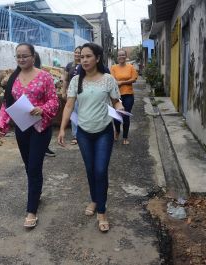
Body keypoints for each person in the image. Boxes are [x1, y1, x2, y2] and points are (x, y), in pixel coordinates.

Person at [57, 43, 124, 232]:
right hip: (84, 133)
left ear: (97, 58)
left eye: (88, 56)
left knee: (101, 170)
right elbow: (69, 106)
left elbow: (116, 101)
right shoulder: (76, 80)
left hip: (104, 131)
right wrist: (63, 129)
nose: (84, 60)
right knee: (90, 169)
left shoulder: (108, 80)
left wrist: (121, 109)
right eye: (82, 56)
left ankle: (102, 211)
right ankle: (95, 199)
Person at [0, 43, 59, 228]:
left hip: (40, 129)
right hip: (22, 129)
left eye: (25, 56)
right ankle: (36, 192)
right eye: (18, 56)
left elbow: (54, 102)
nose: (22, 59)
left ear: (33, 56)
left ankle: (31, 211)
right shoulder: (13, 78)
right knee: (29, 166)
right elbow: (7, 104)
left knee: (33, 167)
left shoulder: (45, 77)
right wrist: (1, 123)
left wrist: (42, 109)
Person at [110, 50, 138, 144]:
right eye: (119, 55)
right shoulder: (113, 67)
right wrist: (118, 82)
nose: (121, 56)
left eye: (123, 55)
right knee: (117, 115)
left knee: (126, 115)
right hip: (116, 95)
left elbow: (134, 79)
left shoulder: (130, 67)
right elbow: (112, 80)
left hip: (128, 94)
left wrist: (122, 82)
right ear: (117, 57)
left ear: (126, 56)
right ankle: (117, 131)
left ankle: (125, 137)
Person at [34, 51, 56, 157]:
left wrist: (43, 108)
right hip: (25, 118)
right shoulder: (18, 77)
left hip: (42, 115)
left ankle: (45, 148)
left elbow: (53, 99)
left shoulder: (44, 76)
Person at [62, 46, 82, 145]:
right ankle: (75, 135)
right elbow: (65, 80)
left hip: (82, 92)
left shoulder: (84, 65)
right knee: (74, 114)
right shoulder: (69, 65)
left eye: (79, 53)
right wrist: (63, 91)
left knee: (81, 113)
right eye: (76, 52)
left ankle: (82, 134)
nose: (77, 54)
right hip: (71, 93)